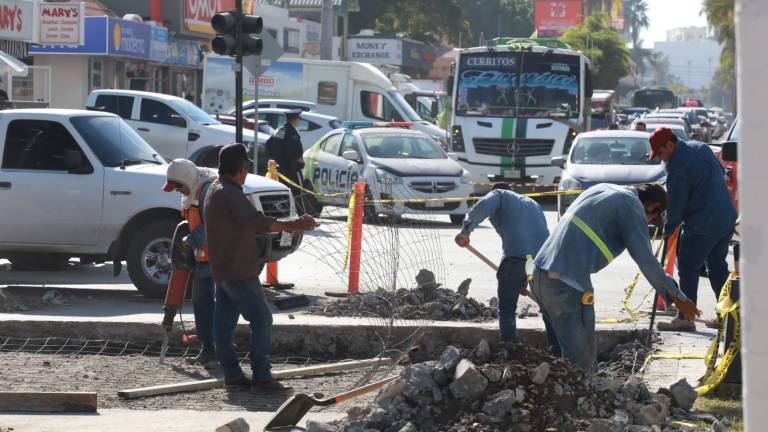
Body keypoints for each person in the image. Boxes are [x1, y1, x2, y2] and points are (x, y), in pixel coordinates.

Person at [531, 183, 699, 371]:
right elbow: (646, 260)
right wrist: (677, 296)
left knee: (563, 352)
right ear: (652, 206)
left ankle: (564, 390)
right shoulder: (630, 205)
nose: (648, 222)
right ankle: (586, 394)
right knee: (582, 358)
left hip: (540, 274)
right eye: (652, 218)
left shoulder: (603, 189)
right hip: (566, 283)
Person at [204, 144, 316, 390]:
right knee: (262, 320)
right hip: (239, 270)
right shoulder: (230, 193)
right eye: (246, 169)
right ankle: (262, 375)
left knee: (223, 326)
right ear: (241, 168)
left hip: (222, 269)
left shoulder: (214, 188)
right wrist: (295, 224)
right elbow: (257, 222)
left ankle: (232, 376)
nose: (246, 174)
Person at [648, 128, 737, 331]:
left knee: (688, 267)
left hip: (703, 222)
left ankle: (685, 318)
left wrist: (667, 229)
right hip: (725, 217)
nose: (661, 159)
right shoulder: (701, 147)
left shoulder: (677, 166)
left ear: (670, 145)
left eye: (660, 153)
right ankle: (727, 317)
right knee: (717, 267)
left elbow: (676, 205)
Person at [455, 183, 559, 351]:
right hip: (542, 261)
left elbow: (482, 206)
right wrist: (524, 280)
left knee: (507, 308)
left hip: (515, 259)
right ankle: (558, 350)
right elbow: (533, 240)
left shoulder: (500, 194)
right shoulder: (533, 204)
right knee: (547, 308)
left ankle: (510, 349)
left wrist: (466, 230)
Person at [162, 159, 218, 369]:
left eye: (178, 185)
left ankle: (218, 351)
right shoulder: (192, 193)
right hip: (204, 260)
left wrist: (189, 240)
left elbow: (212, 228)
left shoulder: (205, 193)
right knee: (201, 306)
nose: (177, 191)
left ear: (187, 179)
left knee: (215, 309)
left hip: (217, 260)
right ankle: (208, 351)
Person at [266, 109, 306, 213]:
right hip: (292, 170)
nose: (299, 121)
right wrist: (300, 161)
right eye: (299, 118)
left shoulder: (280, 130)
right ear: (295, 119)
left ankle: (286, 215)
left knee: (282, 194)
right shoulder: (291, 134)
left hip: (279, 169)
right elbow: (296, 152)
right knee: (298, 194)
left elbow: (268, 144)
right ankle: (301, 217)